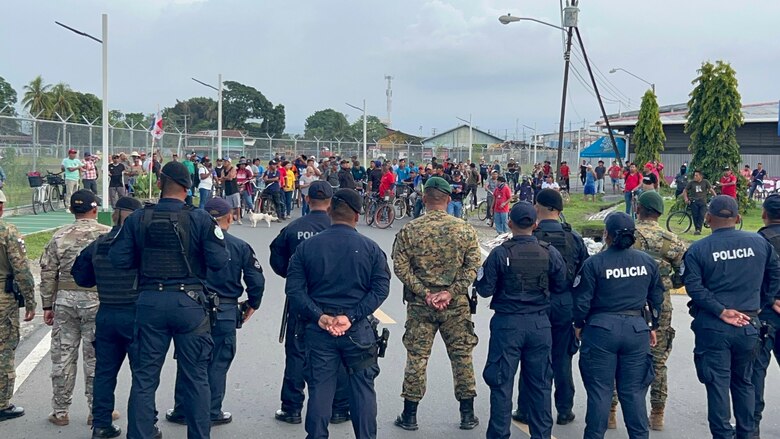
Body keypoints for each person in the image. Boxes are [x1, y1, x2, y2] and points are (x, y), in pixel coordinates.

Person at [108, 161, 230, 439]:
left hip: (150, 301)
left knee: (144, 378)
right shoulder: (200, 219)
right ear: (188, 188)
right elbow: (220, 261)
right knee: (196, 377)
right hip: (189, 304)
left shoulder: (139, 217)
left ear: (160, 184)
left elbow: (119, 259)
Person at [286, 188, 390, 439]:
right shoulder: (371, 249)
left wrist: (319, 316)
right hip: (358, 331)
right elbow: (380, 289)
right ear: (357, 216)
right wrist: (352, 316)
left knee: (320, 390)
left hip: (319, 330)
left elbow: (294, 290)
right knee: (363, 390)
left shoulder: (307, 248)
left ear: (330, 211)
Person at [683, 195, 780, 439]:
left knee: (717, 386)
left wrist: (720, 310)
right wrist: (763, 302)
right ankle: (748, 434)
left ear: (707, 218)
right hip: (749, 324)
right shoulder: (758, 243)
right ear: (737, 218)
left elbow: (693, 287)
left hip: (714, 326)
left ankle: (724, 435)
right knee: (744, 382)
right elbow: (776, 273)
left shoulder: (698, 249)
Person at [165, 197, 264, 428]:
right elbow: (256, 281)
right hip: (226, 308)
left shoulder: (189, 243)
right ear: (229, 217)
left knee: (188, 359)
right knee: (218, 362)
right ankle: (211, 410)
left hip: (191, 306)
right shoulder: (240, 246)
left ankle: (182, 409)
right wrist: (252, 304)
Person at [392, 177, 481, 431]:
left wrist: (424, 293)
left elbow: (400, 266)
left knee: (417, 357)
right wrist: (451, 293)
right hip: (456, 307)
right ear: (448, 200)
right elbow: (472, 265)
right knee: (462, 356)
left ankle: (409, 415)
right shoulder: (464, 229)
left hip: (421, 307)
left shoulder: (410, 230)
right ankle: (467, 414)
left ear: (424, 199)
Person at [477, 201, 567, 439]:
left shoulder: (500, 253)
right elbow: (560, 285)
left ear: (509, 223)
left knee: (501, 383)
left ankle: (498, 434)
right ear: (535, 225)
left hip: (508, 324)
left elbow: (484, 289)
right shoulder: (549, 252)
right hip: (539, 324)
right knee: (540, 385)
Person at [574, 212, 664, 439]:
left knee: (600, 393)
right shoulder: (647, 262)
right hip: (636, 330)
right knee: (634, 393)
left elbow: (582, 301)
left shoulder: (594, 263)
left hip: (601, 330)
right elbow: (657, 299)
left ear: (607, 235)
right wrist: (652, 326)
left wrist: (578, 325)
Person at [270, 181, 352, 426]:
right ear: (331, 203)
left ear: (307, 200)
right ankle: (338, 409)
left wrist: (294, 277)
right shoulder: (339, 228)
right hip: (335, 301)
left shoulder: (294, 228)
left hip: (301, 300)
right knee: (337, 353)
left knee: (297, 353)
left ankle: (292, 408)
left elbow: (277, 260)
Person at [608, 191, 687, 431]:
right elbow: (686, 271)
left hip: (625, 302)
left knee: (617, 358)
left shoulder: (627, 235)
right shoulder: (671, 240)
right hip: (660, 306)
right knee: (658, 360)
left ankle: (611, 412)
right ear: (660, 212)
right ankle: (657, 413)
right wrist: (666, 284)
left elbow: (607, 261)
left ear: (638, 209)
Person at [510, 189, 588, 428]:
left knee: (531, 358)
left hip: (535, 304)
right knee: (562, 358)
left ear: (539, 207)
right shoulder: (573, 237)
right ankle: (564, 409)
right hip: (564, 305)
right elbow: (583, 275)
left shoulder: (530, 236)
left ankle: (525, 408)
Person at [71, 196, 143, 438]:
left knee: (104, 373)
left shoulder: (99, 243)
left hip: (106, 314)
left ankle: (101, 425)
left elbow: (81, 276)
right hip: (134, 315)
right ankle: (142, 425)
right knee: (143, 375)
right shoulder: (140, 245)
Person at [40, 190, 112, 427]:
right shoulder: (107, 234)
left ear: (72, 210)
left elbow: (48, 272)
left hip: (65, 301)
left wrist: (47, 305)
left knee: (62, 356)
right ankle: (98, 410)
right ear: (95, 209)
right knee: (96, 357)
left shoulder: (60, 235)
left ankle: (60, 411)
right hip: (98, 300)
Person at [0, 208, 36, 422]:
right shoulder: (7, 232)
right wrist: (31, 301)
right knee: (4, 348)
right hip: (3, 299)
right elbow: (21, 270)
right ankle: (2, 404)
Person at [752, 195, 780, 438]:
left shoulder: (759, 241)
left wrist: (769, 300)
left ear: (764, 214)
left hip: (765, 313)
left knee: (756, 370)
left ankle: (752, 426)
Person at [683, 170, 717, 235]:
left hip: (702, 202)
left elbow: (711, 189)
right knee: (695, 216)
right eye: (694, 175)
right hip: (694, 201)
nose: (695, 177)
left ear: (700, 176)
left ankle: (699, 229)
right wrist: (686, 198)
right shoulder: (691, 183)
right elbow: (685, 190)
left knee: (701, 215)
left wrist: (715, 196)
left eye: (696, 175)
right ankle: (697, 229)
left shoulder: (705, 182)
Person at [222, 158, 242, 223]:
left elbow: (230, 177)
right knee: (229, 206)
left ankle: (238, 218)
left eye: (226, 161)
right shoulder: (223, 170)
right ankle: (231, 219)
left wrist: (226, 177)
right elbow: (222, 178)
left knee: (237, 206)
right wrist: (226, 177)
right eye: (224, 161)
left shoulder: (233, 169)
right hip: (227, 190)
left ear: (229, 162)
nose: (224, 163)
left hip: (234, 190)